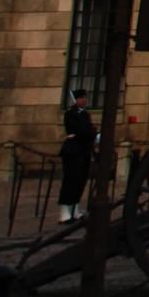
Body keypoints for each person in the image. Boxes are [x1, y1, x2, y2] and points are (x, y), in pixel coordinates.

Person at [58, 89, 95, 223]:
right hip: (72, 150)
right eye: (82, 98)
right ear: (76, 100)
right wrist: (89, 133)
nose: (84, 100)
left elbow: (89, 130)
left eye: (85, 98)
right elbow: (81, 130)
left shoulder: (84, 114)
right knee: (70, 180)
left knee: (81, 180)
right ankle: (64, 211)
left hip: (83, 150)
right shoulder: (70, 114)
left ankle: (75, 209)